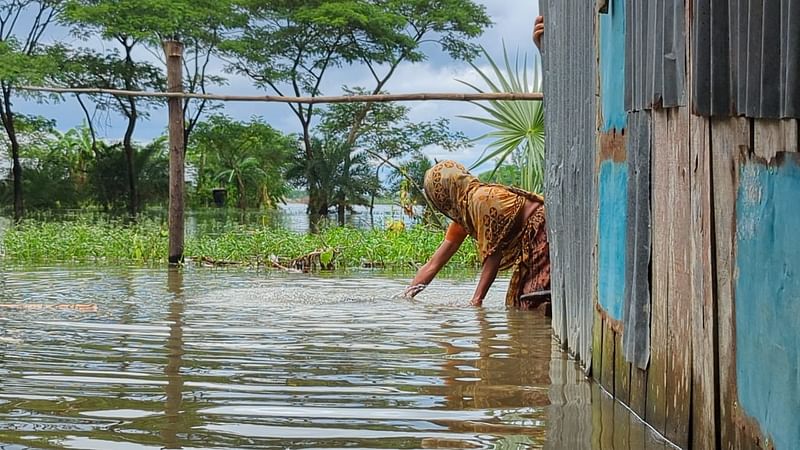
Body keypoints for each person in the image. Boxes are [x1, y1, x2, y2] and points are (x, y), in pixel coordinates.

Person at [403, 160, 550, 309]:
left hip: (541, 231)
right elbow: (433, 264)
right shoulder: (465, 216)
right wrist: (406, 296)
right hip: (532, 240)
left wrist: (476, 301)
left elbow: (493, 255)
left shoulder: (481, 199)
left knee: (531, 300)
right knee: (517, 302)